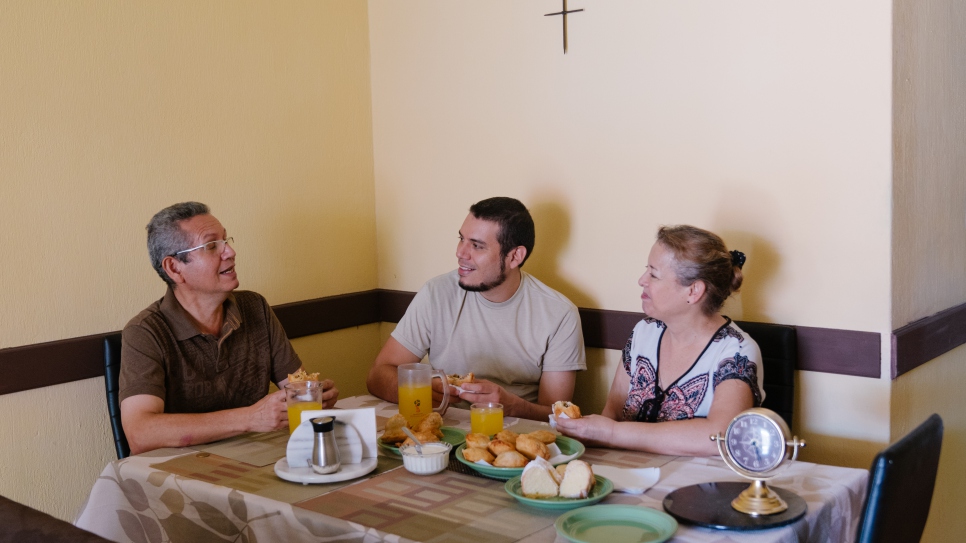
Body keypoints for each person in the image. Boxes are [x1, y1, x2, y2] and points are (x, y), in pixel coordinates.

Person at [119, 202, 338, 454]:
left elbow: (297, 384)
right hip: (181, 476)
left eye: (226, 240)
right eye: (212, 246)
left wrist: (314, 395)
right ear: (174, 268)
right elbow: (140, 433)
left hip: (254, 459)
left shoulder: (254, 307)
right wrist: (251, 418)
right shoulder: (144, 332)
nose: (230, 252)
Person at [366, 197, 586, 421]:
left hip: (515, 437)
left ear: (514, 256)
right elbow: (378, 374)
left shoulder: (559, 314)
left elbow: (557, 414)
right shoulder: (436, 293)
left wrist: (512, 406)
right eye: (461, 239)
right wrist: (421, 392)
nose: (461, 253)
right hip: (441, 430)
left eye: (477, 245)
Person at [556, 225, 762, 456]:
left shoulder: (737, 351)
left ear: (693, 291)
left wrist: (613, 433)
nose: (641, 280)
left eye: (654, 274)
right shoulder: (644, 332)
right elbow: (612, 413)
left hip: (697, 487)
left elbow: (720, 437)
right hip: (627, 476)